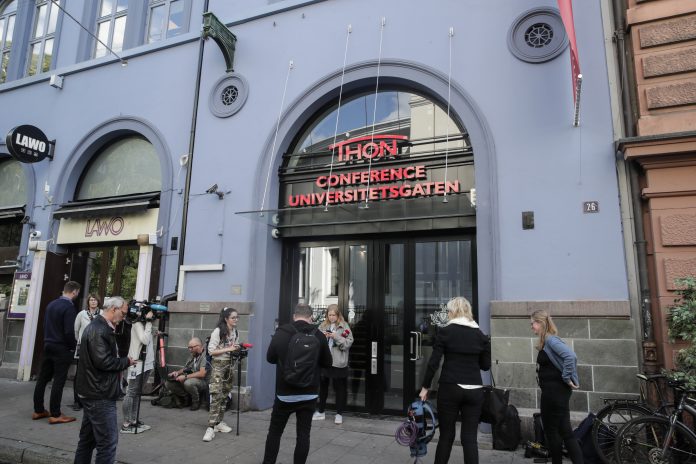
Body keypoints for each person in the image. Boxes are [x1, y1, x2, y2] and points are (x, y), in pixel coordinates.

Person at [419, 296, 491, 464]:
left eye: (448, 311)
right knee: (470, 438)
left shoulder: (445, 332)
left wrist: (425, 387)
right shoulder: (481, 335)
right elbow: (485, 366)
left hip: (450, 388)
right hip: (474, 390)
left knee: (446, 436)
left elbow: (434, 363)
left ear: (453, 312)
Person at [262, 303, 332, 464]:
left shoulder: (281, 333)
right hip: (309, 394)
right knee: (303, 435)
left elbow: (270, 358)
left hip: (285, 393)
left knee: (275, 433)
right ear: (311, 317)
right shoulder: (319, 335)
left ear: (294, 316)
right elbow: (328, 363)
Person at [74, 296, 136, 464]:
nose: (124, 317)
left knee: (87, 441)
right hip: (99, 394)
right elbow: (104, 362)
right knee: (107, 443)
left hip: (93, 391)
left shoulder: (102, 327)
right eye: (123, 313)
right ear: (114, 309)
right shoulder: (99, 329)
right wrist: (126, 362)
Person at [530, 309, 583, 464]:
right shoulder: (547, 341)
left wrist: (566, 377)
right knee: (565, 431)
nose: (531, 327)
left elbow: (571, 356)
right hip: (555, 393)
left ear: (540, 323)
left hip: (554, 393)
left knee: (552, 432)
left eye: (532, 323)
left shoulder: (551, 340)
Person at [32, 280, 81, 424]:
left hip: (48, 344)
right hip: (61, 348)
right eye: (77, 292)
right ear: (74, 292)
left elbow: (45, 325)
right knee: (59, 380)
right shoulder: (69, 307)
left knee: (42, 378)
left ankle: (38, 410)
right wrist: (73, 347)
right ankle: (56, 414)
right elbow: (69, 331)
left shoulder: (51, 304)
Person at [203, 307, 241, 442]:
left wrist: (237, 349)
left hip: (230, 365)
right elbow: (211, 351)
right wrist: (229, 348)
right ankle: (210, 428)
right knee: (216, 395)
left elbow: (234, 346)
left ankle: (218, 422)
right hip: (218, 366)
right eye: (233, 317)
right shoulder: (218, 331)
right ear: (226, 319)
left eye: (237, 317)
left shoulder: (235, 331)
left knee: (225, 395)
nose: (236, 320)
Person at [312, 304, 353, 425]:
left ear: (338, 315)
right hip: (325, 361)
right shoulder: (323, 325)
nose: (331, 317)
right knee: (323, 388)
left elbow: (348, 343)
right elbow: (315, 341)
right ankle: (321, 411)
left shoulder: (344, 326)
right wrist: (323, 338)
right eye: (329, 315)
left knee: (339, 388)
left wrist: (336, 337)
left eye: (333, 315)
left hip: (338, 362)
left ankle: (339, 414)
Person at [121, 310, 155, 433]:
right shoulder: (137, 324)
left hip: (147, 363)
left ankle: (134, 419)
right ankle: (126, 423)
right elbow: (144, 340)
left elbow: (147, 340)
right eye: (149, 314)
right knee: (131, 392)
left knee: (137, 393)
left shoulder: (144, 325)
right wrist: (149, 323)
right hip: (137, 363)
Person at [71, 293, 102, 411]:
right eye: (91, 300)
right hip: (83, 348)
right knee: (80, 374)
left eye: (95, 300)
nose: (93, 302)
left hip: (97, 348)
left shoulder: (102, 314)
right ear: (88, 302)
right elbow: (76, 330)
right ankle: (77, 400)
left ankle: (91, 399)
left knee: (94, 374)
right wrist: (80, 340)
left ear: (98, 302)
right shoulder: (81, 314)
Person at [166, 337, 209, 410]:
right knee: (169, 383)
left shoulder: (205, 356)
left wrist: (185, 377)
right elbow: (186, 368)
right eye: (189, 347)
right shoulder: (193, 355)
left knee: (188, 383)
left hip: (203, 381)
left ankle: (196, 401)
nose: (190, 350)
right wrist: (177, 373)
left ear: (198, 346)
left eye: (191, 347)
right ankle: (186, 397)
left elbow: (202, 373)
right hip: (192, 379)